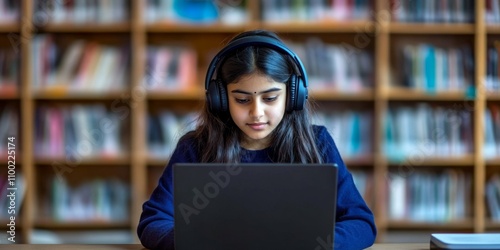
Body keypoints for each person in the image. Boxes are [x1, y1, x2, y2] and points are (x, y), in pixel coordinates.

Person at [137, 29, 377, 250]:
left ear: (293, 96)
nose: (257, 113)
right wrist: (196, 241)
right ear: (219, 99)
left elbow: (361, 222)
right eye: (242, 100)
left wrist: (314, 244)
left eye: (270, 98)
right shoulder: (194, 147)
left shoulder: (318, 143)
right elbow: (153, 221)